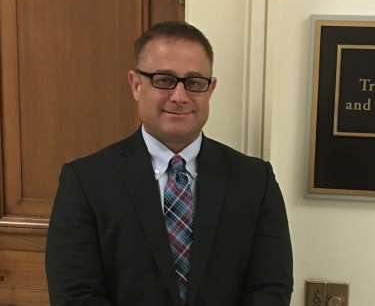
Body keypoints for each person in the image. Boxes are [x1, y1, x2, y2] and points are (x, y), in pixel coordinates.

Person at [45, 21, 293, 306]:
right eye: (164, 80)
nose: (179, 96)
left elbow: (271, 288)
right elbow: (74, 295)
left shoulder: (255, 180)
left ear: (210, 89)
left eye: (194, 83)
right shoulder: (86, 182)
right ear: (136, 84)